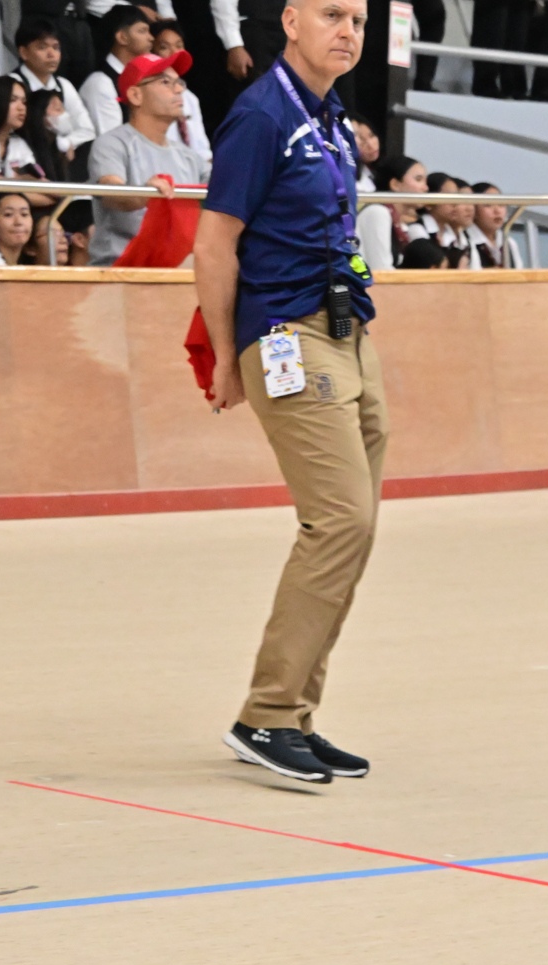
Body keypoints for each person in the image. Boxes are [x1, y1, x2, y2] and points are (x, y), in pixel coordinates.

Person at [195, 0, 385, 785]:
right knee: (340, 519)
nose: (350, 32)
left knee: (354, 529)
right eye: (333, 15)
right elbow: (214, 244)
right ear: (291, 21)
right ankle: (267, 713)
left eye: (360, 21)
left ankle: (298, 711)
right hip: (287, 334)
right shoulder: (262, 115)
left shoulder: (331, 115)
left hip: (347, 331)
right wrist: (224, 353)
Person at [89, 48, 205, 265]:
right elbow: (111, 192)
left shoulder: (190, 157)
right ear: (136, 95)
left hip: (177, 271)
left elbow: (224, 188)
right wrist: (146, 193)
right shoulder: (112, 143)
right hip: (122, 270)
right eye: (165, 82)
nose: (179, 89)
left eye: (179, 82)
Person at [11, 16, 95, 156]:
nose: (51, 54)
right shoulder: (12, 84)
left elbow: (87, 130)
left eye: (56, 47)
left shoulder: (63, 85)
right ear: (23, 52)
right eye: (42, 47)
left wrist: (63, 144)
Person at [79, 4, 152, 138]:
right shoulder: (100, 83)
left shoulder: (143, 80)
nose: (151, 38)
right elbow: (111, 142)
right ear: (122, 37)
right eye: (142, 31)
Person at [150, 17, 211, 164]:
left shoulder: (190, 98)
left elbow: (203, 152)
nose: (174, 53)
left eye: (179, 46)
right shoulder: (148, 95)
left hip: (193, 172)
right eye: (164, 47)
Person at [355, 152, 427, 269]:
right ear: (395, 184)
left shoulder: (401, 224)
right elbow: (381, 270)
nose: (426, 188)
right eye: (418, 180)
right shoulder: (377, 212)